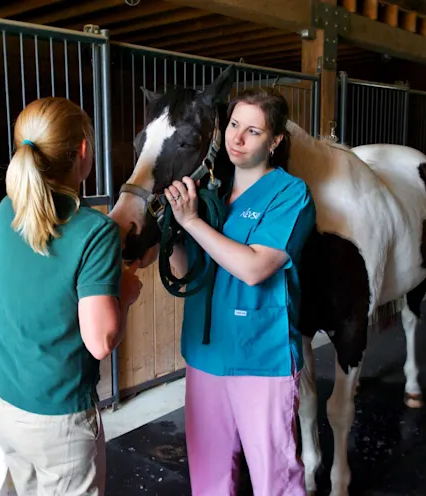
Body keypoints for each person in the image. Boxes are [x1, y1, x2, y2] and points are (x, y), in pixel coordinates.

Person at [0, 96, 141, 496]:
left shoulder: (7, 211)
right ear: (84, 151)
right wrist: (124, 291)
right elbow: (100, 341)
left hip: (1, 400)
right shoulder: (95, 231)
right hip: (56, 419)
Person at [165, 87, 316, 496]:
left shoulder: (290, 193)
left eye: (253, 131)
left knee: (274, 477)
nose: (237, 138)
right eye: (233, 125)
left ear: (275, 141)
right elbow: (189, 272)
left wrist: (193, 223)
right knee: (208, 475)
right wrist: (173, 232)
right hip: (205, 353)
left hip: (260, 357)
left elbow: (254, 268)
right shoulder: (210, 191)